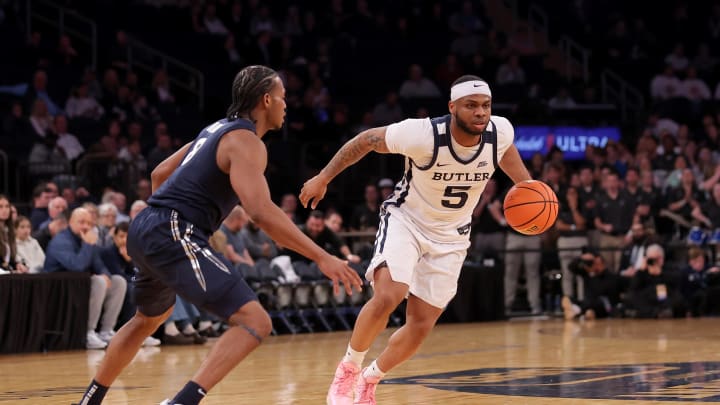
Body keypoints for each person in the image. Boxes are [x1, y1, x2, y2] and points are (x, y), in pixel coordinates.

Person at [76, 65, 362, 405]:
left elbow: (159, 174)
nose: (287, 105)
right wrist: (322, 256)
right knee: (255, 321)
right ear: (267, 100)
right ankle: (181, 403)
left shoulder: (214, 129)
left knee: (148, 318)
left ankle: (88, 402)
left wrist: (168, 218)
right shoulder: (247, 141)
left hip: (146, 225)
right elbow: (260, 212)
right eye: (283, 98)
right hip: (172, 228)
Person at [300, 75, 531, 405]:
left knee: (421, 325)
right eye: (471, 106)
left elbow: (504, 150)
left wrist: (529, 188)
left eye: (485, 106)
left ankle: (371, 378)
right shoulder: (422, 134)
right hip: (406, 221)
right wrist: (324, 177)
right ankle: (348, 370)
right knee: (388, 295)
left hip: (452, 236)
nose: (480, 113)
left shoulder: (500, 130)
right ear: (452, 107)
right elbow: (366, 140)